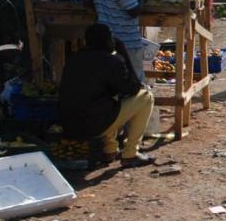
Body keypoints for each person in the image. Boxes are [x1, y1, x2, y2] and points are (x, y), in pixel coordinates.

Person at [58, 24, 155, 168]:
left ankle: (110, 150)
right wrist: (123, 53)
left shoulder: (74, 59)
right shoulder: (112, 61)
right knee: (146, 97)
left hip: (68, 124)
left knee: (108, 103)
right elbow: (133, 89)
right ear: (108, 41)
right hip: (93, 125)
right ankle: (130, 154)